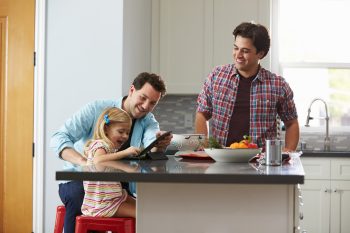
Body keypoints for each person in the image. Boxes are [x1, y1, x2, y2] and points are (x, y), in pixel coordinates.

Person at [50, 72, 171, 233]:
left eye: (152, 103)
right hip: (79, 180)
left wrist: (158, 144)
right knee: (80, 196)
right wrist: (83, 162)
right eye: (143, 98)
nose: (145, 106)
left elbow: (151, 144)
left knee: (145, 208)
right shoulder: (97, 109)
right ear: (132, 90)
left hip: (115, 186)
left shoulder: (148, 121)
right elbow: (58, 137)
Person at [195, 22, 299, 151]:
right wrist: (204, 146)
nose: (238, 55)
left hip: (261, 164)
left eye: (245, 51)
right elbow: (202, 113)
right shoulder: (217, 76)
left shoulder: (278, 85)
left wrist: (288, 151)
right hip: (221, 160)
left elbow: (291, 123)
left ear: (260, 54)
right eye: (235, 48)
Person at [81, 107, 138, 218]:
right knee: (143, 213)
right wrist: (125, 152)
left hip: (113, 198)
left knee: (145, 207)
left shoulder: (108, 149)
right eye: (121, 131)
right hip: (103, 205)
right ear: (106, 128)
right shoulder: (101, 146)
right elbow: (98, 161)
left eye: (127, 133)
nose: (125, 136)